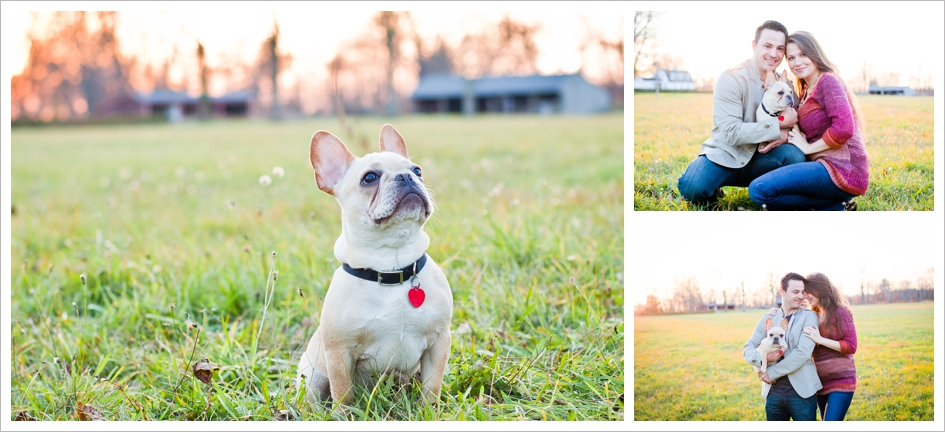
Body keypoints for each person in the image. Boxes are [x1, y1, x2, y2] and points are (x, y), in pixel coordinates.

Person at [677, 20, 805, 205]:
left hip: (765, 156)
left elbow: (796, 122)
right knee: (693, 188)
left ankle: (768, 189)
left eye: (780, 48)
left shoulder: (784, 86)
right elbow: (731, 133)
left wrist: (787, 135)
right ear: (754, 45)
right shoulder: (731, 79)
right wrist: (777, 126)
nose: (773, 54)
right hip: (727, 154)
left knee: (795, 156)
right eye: (767, 46)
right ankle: (713, 183)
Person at [748, 31, 870, 210]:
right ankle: (834, 205)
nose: (797, 62)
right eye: (791, 58)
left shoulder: (828, 82)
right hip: (821, 166)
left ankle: (833, 208)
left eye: (803, 54)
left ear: (814, 53)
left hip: (841, 170)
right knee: (765, 189)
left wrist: (808, 148)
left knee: (759, 191)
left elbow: (844, 129)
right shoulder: (805, 91)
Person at [743, 272, 822, 421]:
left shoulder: (809, 316)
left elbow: (802, 353)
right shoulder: (769, 318)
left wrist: (771, 373)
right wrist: (762, 359)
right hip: (773, 394)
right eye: (795, 291)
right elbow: (749, 347)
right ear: (782, 292)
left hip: (802, 394)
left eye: (803, 292)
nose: (801, 296)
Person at [801, 272, 858, 420]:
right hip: (820, 383)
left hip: (842, 381)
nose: (805, 296)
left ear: (819, 290)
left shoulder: (840, 312)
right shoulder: (812, 315)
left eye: (808, 292)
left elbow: (851, 346)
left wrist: (820, 339)